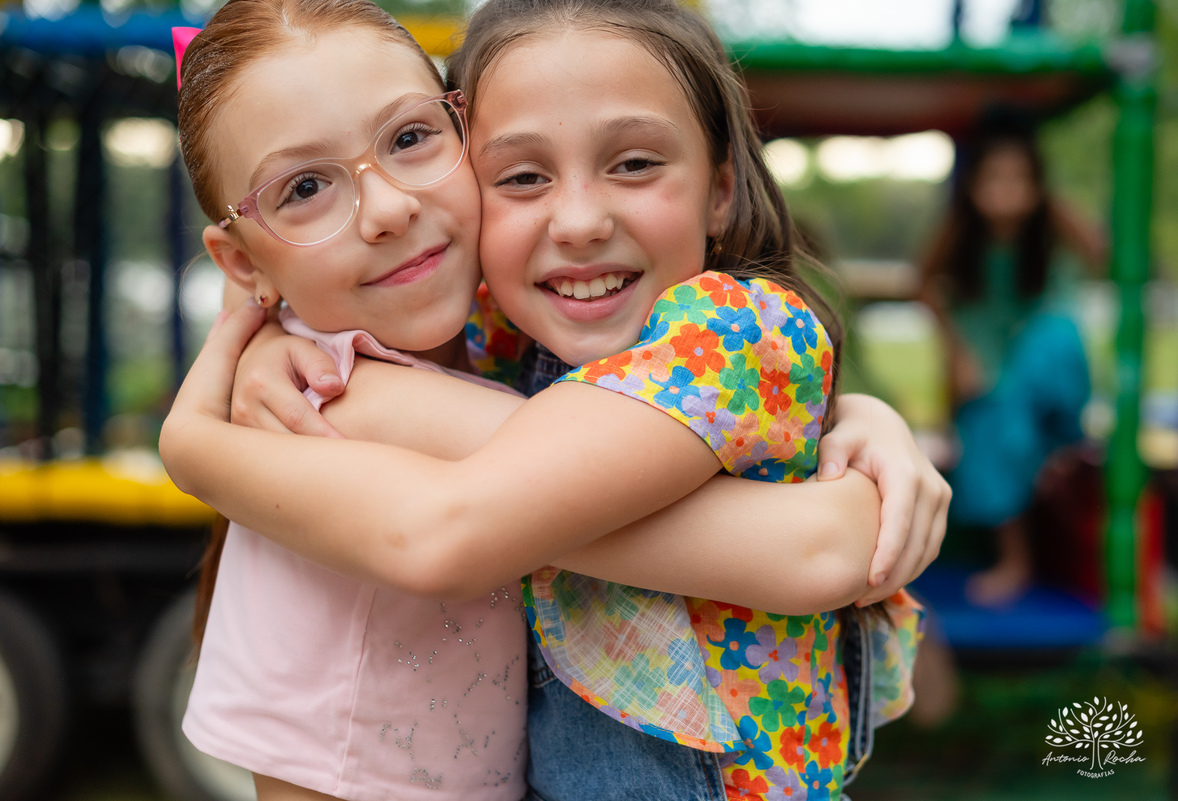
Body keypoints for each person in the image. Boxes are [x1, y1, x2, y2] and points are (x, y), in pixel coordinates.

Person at [163, 1, 947, 798]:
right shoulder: (375, 379)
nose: (575, 221)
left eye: (408, 140)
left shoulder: (703, 331)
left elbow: (471, 515)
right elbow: (815, 541)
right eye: (525, 176)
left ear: (721, 189)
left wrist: (857, 417)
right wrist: (236, 379)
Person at [919, 125, 1103, 607]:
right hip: (993, 371)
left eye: (1020, 180)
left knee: (1049, 348)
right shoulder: (960, 234)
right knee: (991, 422)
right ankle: (1015, 557)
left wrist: (1051, 204)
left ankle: (1058, 447)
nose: (1006, 192)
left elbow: (1101, 253)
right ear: (972, 187)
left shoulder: (1047, 231)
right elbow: (924, 284)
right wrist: (957, 352)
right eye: (993, 180)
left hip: (1043, 366)